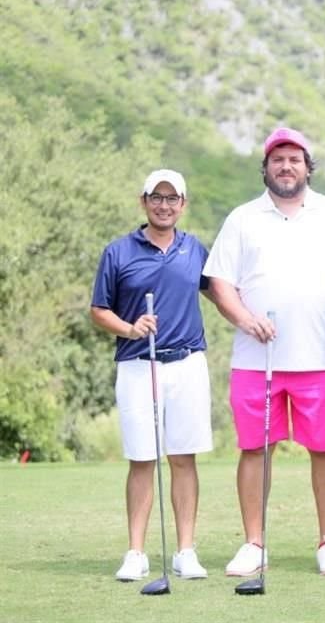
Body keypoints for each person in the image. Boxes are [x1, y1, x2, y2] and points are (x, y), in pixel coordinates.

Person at [203, 127, 325, 576]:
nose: (285, 166)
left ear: (308, 167)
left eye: (294, 159)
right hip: (256, 359)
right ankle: (254, 542)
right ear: (266, 168)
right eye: (277, 159)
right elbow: (220, 283)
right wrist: (245, 318)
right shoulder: (243, 218)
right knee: (255, 448)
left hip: (321, 357)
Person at [91, 169, 213, 582]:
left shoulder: (195, 249)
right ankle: (136, 553)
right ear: (144, 201)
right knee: (142, 458)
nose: (164, 205)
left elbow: (222, 291)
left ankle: (185, 552)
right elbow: (98, 309)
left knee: (183, 457)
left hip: (187, 362)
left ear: (183, 204)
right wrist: (129, 328)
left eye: (172, 198)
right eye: (156, 198)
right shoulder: (119, 251)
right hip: (137, 365)